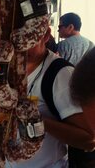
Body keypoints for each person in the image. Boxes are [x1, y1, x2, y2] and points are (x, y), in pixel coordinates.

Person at [9, 26, 90, 168]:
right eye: (14, 39)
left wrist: (36, 120)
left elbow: (88, 139)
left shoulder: (61, 74)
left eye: (27, 38)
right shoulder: (8, 69)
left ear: (45, 35)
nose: (20, 45)